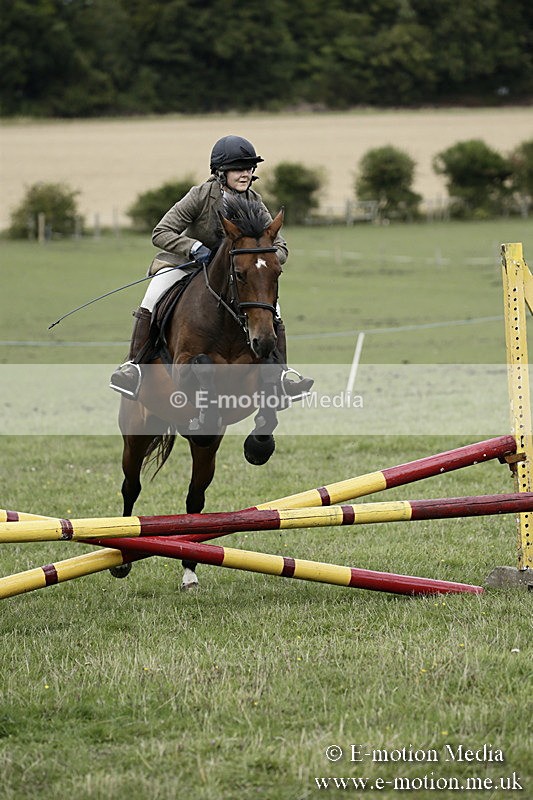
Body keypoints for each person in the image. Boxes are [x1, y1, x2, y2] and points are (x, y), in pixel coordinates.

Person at [110, 134, 313, 399]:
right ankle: (134, 366)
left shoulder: (254, 201)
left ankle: (283, 374)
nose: (245, 174)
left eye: (249, 168)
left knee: (272, 305)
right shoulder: (201, 195)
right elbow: (161, 231)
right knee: (153, 293)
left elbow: (281, 246)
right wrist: (193, 247)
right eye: (238, 168)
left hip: (235, 274)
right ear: (220, 172)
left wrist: (265, 257)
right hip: (189, 264)